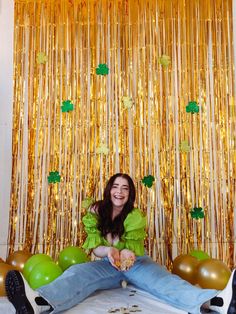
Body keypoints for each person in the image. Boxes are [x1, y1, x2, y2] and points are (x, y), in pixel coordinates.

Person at [5, 173, 236, 314]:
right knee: (77, 272)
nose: (120, 191)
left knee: (163, 281)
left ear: (130, 194)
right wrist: (110, 251)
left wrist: (125, 253)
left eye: (125, 188)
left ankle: (217, 302)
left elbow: (132, 247)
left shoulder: (135, 216)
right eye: (116, 186)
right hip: (108, 263)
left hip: (135, 262)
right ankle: (38, 302)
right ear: (109, 190)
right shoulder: (95, 212)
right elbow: (95, 247)